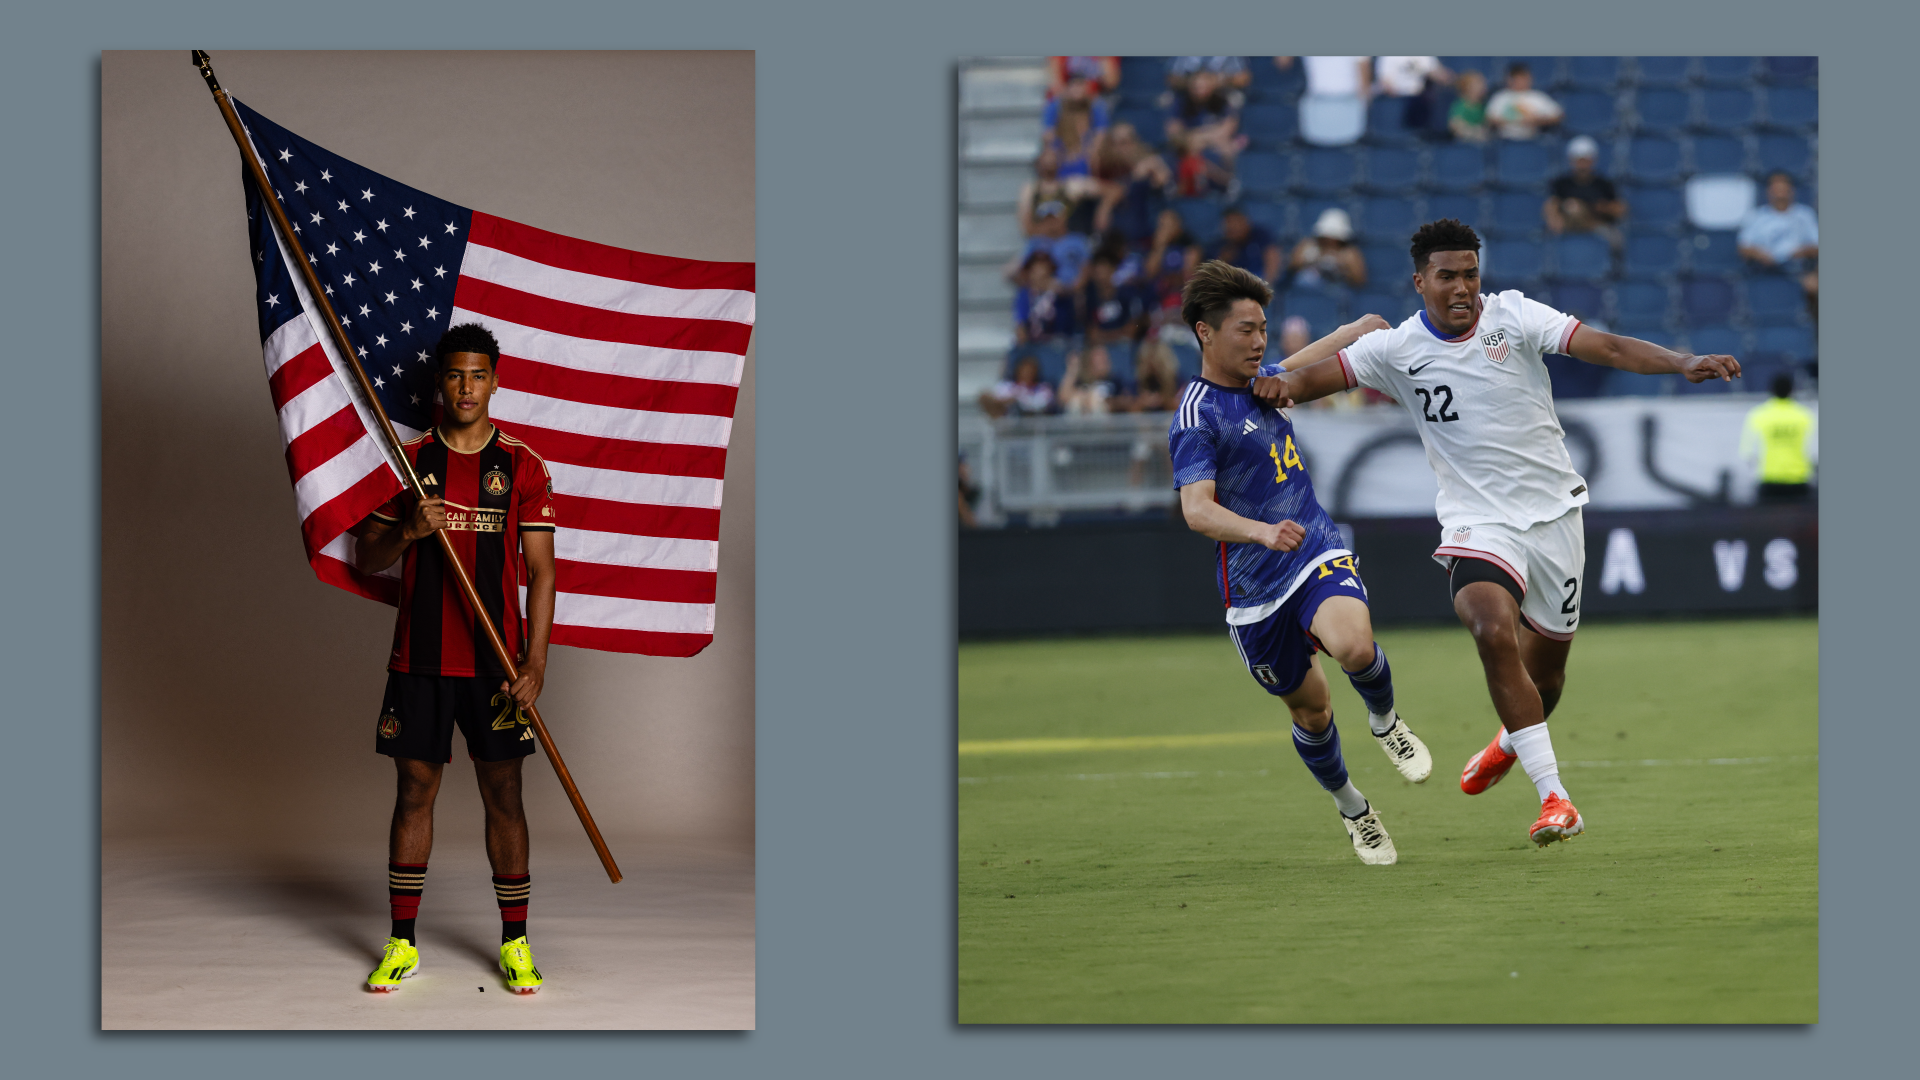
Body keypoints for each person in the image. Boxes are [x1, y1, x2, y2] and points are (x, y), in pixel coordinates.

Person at [1258, 219, 1741, 846]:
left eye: (1470, 274)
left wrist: (1683, 361)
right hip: (1476, 523)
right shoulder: (1395, 349)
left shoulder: (1512, 317)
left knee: (1547, 682)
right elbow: (1304, 383)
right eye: (1447, 277)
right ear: (1420, 281)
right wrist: (1268, 381)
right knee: (1489, 627)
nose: (1462, 288)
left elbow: (1609, 348)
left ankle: (1512, 738)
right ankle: (1555, 799)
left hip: (1555, 516)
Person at [1168, 260, 1431, 866]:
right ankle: (1354, 809)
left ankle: (1386, 720)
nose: (1259, 340)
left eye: (1263, 327)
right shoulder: (1196, 416)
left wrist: (1360, 328)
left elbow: (1309, 360)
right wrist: (1260, 531)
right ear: (1206, 333)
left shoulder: (1268, 380)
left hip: (1313, 547)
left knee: (1355, 648)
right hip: (1254, 591)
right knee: (1311, 711)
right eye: (1245, 330)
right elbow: (1197, 511)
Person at [351, 322, 558, 993]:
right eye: (453, 374)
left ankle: (516, 943)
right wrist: (409, 528)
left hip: (496, 669)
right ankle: (402, 942)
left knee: (505, 793)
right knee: (414, 791)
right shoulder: (407, 463)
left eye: (478, 374)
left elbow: (543, 572)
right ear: (439, 382)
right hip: (420, 660)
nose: (466, 387)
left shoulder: (523, 465)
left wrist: (535, 664)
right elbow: (367, 555)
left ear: (495, 381)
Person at [1737, 172, 1819, 320]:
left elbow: (1816, 246)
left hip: (1797, 269)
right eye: (1776, 190)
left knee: (1814, 284)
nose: (1780, 194)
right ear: (1769, 192)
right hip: (1765, 268)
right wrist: (1760, 254)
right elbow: (1744, 248)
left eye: (1783, 189)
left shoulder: (1804, 214)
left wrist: (1799, 252)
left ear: (1791, 191)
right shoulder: (1756, 216)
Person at [1740, 371, 1817, 503]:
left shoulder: (1758, 415)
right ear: (1792, 391)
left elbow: (1747, 453)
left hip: (1769, 481)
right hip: (1799, 481)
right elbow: (1814, 450)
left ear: (1771, 390)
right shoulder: (1805, 415)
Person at [1543, 136, 1626, 249]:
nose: (1582, 165)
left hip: (1596, 226)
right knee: (1572, 207)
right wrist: (1555, 219)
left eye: (1585, 160)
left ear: (1593, 160)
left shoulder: (1603, 184)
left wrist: (1603, 207)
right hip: (1569, 227)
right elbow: (1552, 204)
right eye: (1578, 160)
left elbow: (1619, 209)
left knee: (1616, 238)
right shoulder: (1562, 184)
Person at [1288, 207, 1367, 288]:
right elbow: (1292, 265)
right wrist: (1312, 259)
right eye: (1326, 238)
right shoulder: (1307, 246)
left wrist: (1342, 266)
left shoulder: (1349, 253)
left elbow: (1359, 279)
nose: (1329, 241)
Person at [1012, 250, 1077, 345]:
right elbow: (1021, 323)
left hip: (1057, 344)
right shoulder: (1025, 294)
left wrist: (1056, 293)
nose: (1040, 273)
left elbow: (1066, 324)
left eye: (1044, 268)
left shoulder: (1060, 295)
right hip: (1032, 344)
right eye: (1035, 269)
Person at [1484, 63, 1562, 140]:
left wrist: (1538, 121)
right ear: (1509, 80)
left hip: (1533, 139)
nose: (1520, 81)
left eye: (1523, 78)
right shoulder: (1501, 97)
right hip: (1505, 140)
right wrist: (1512, 121)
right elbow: (1489, 118)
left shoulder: (1538, 96)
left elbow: (1558, 116)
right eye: (1517, 78)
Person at [1374, 56, 1452, 133]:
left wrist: (1451, 79)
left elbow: (1439, 74)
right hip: (1396, 102)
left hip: (1419, 100)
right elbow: (1386, 84)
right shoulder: (1388, 57)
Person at [1209, 205, 1282, 284]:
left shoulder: (1260, 235)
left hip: (1262, 282)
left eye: (1236, 222)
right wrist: (1224, 259)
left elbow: (1272, 258)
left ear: (1245, 221)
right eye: (1229, 224)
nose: (1234, 227)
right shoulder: (1220, 246)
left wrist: (1267, 285)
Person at [979, 354, 1057, 418]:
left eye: (1030, 371)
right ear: (1018, 370)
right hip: (1007, 418)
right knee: (986, 397)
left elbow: (1039, 406)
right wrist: (1007, 400)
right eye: (1024, 370)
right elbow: (997, 399)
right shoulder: (1007, 385)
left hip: (1031, 420)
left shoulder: (1043, 388)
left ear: (1036, 372)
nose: (1027, 373)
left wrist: (1017, 399)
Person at [1448, 69, 1490, 144]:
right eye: (1478, 83)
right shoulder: (1461, 105)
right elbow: (1455, 125)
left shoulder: (1483, 106)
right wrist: (1473, 132)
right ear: (1467, 87)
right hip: (1464, 143)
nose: (1483, 86)